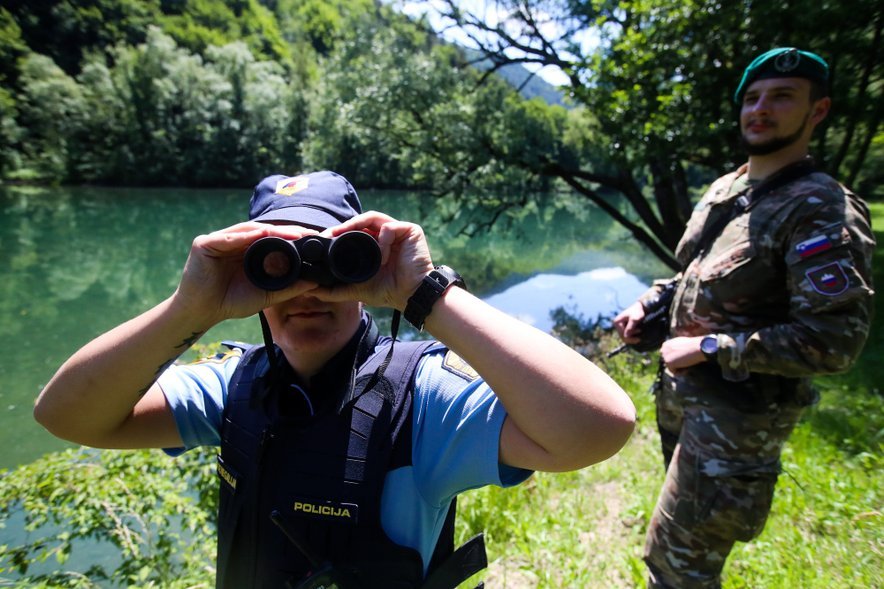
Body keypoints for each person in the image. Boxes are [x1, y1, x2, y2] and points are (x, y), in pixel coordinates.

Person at [34, 170, 636, 588]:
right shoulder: (232, 386)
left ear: (363, 262)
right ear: (250, 274)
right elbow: (66, 416)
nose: (306, 288)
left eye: (330, 259)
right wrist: (192, 307)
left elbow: (597, 427)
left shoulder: (422, 401)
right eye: (279, 265)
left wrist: (424, 294)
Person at [613, 47, 875, 588]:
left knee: (678, 570)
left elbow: (835, 339)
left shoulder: (820, 206)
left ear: (817, 111)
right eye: (752, 98)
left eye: (782, 97)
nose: (761, 109)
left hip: (736, 426)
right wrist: (649, 304)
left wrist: (711, 348)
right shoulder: (726, 190)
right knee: (678, 556)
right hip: (683, 406)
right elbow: (694, 274)